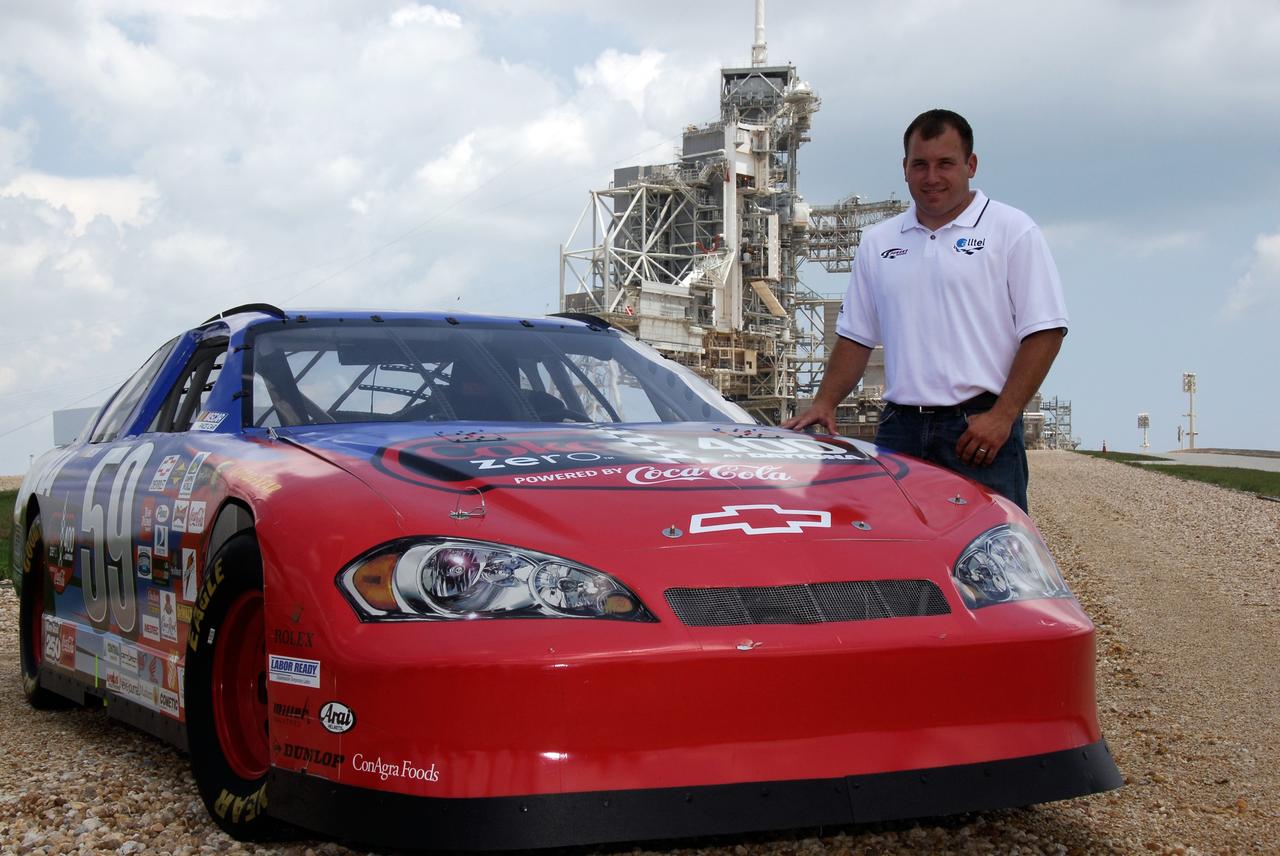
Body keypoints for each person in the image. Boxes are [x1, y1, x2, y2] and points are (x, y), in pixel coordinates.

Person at [783, 109, 1067, 512]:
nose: (931, 177)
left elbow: (1045, 331)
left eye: (945, 164)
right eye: (920, 165)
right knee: (896, 555)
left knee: (993, 553)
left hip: (978, 430)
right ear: (905, 169)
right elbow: (856, 336)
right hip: (900, 430)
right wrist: (825, 402)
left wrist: (1003, 417)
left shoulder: (1011, 230)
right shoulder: (879, 242)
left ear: (971, 165)